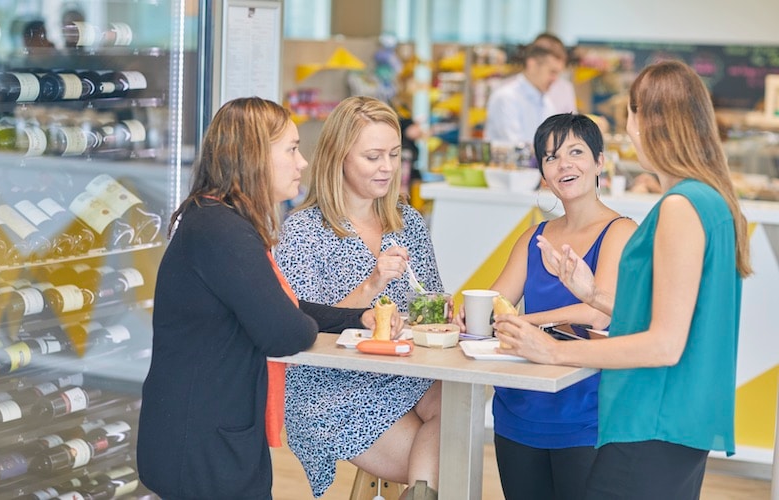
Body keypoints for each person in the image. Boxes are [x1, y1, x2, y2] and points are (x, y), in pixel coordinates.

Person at [494, 60, 751, 499]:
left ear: (650, 121)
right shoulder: (710, 201)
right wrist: (594, 293)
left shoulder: (680, 207)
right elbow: (674, 315)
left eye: (630, 113)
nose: (627, 127)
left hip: (653, 418)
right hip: (680, 423)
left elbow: (665, 344)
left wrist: (553, 351)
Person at [137, 97, 400, 499]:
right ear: (254, 156)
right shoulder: (222, 232)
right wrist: (302, 320)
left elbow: (278, 305)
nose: (302, 163)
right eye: (291, 149)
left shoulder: (217, 220)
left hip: (202, 434)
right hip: (202, 445)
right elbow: (285, 331)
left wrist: (355, 317)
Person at [456, 113, 637, 499]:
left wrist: (521, 323)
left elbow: (597, 311)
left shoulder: (620, 231)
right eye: (552, 157)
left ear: (600, 161)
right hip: (519, 408)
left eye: (576, 152)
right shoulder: (534, 236)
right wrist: (468, 317)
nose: (564, 164)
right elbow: (493, 305)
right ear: (543, 171)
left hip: (585, 412)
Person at [274, 95, 443, 500]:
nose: (387, 167)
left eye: (394, 155)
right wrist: (371, 285)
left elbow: (431, 303)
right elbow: (300, 327)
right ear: (339, 157)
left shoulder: (409, 222)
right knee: (452, 449)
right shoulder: (303, 232)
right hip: (331, 388)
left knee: (462, 399)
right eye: (372, 156)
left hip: (403, 372)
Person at [483, 34, 575, 147]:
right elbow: (515, 146)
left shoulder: (547, 103)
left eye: (557, 74)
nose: (555, 79)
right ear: (532, 64)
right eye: (552, 72)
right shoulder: (506, 98)